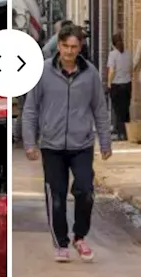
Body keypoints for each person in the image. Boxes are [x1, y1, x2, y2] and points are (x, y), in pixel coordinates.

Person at [22, 25, 112, 263]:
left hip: (81, 144)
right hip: (52, 145)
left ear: (80, 47)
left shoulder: (90, 74)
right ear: (58, 46)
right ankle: (60, 242)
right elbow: (30, 109)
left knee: (86, 191)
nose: (70, 51)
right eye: (66, 46)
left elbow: (100, 110)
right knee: (57, 195)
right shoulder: (42, 73)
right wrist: (30, 142)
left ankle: (79, 236)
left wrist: (105, 142)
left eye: (74, 47)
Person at [107, 32, 133, 141]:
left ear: (113, 44)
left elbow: (111, 71)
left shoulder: (113, 54)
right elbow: (132, 68)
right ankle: (127, 133)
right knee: (126, 109)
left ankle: (120, 133)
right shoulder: (128, 54)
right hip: (127, 85)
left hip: (116, 85)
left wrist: (109, 83)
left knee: (117, 110)